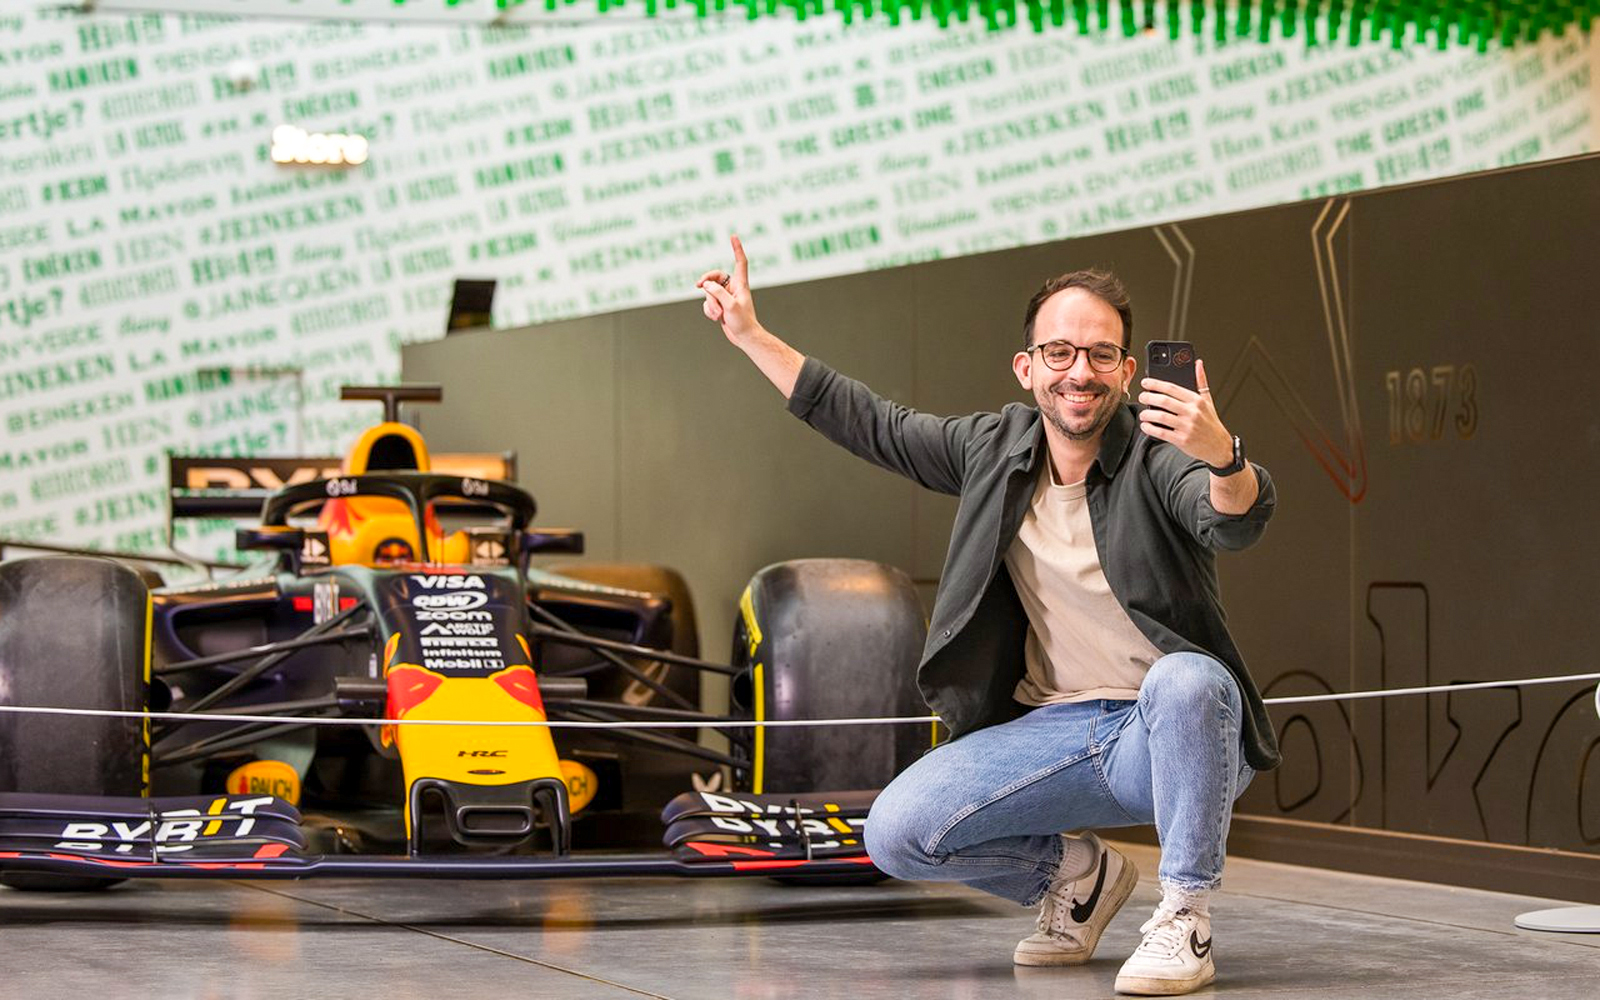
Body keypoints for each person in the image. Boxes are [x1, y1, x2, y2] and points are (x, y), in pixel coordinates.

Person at [697, 236, 1279, 996]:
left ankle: (1186, 918)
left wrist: (1224, 456)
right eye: (1060, 352)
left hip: (1163, 734)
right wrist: (750, 334)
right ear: (1027, 367)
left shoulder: (1160, 454)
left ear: (1128, 371)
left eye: (1101, 355)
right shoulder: (992, 449)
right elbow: (869, 422)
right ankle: (1077, 876)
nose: (1080, 371)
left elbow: (1232, 519)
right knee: (896, 834)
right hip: (1053, 734)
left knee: (1190, 679)